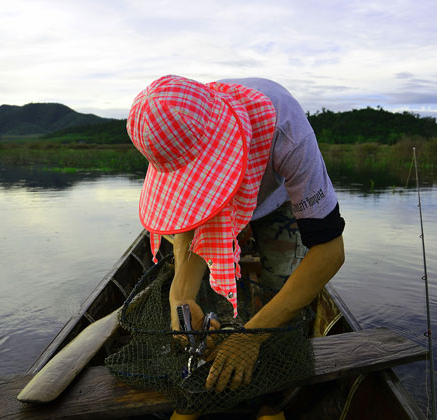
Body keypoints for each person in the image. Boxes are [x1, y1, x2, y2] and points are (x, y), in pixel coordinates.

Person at [127, 75, 345, 419]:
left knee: (283, 285)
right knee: (197, 293)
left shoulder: (289, 133)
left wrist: (252, 336)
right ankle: (197, 383)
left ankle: (271, 396)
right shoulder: (171, 128)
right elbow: (189, 223)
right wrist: (179, 295)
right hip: (216, 205)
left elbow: (330, 252)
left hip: (280, 201)